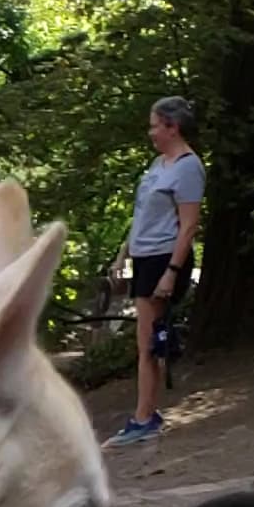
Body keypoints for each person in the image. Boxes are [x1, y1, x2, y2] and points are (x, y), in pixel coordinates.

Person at [104, 96, 205, 448]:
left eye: (154, 125)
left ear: (172, 127)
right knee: (149, 340)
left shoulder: (188, 167)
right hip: (145, 257)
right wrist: (122, 257)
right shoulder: (158, 164)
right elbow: (142, 215)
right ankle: (147, 414)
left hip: (165, 258)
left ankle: (144, 418)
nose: (150, 132)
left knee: (147, 343)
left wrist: (172, 272)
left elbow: (189, 226)